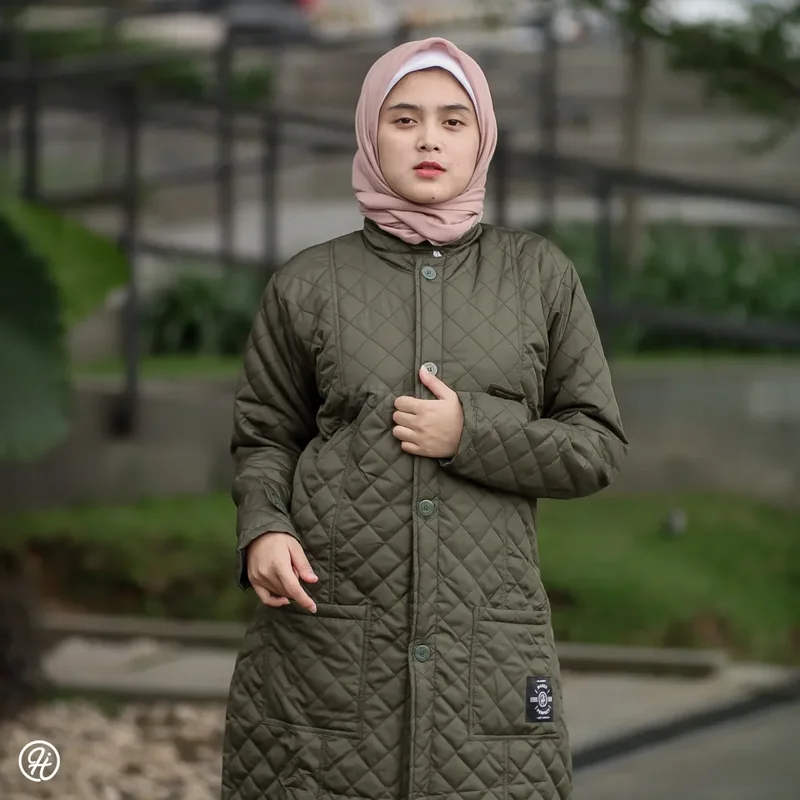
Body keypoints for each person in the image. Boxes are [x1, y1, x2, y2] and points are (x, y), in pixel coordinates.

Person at [221, 36, 628, 800]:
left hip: (490, 651)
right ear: (370, 133)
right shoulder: (308, 283)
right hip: (329, 638)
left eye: (453, 120)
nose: (430, 139)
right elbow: (266, 435)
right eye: (404, 119)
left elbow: (596, 445)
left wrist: (471, 436)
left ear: (483, 138)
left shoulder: (539, 275)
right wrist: (264, 529)